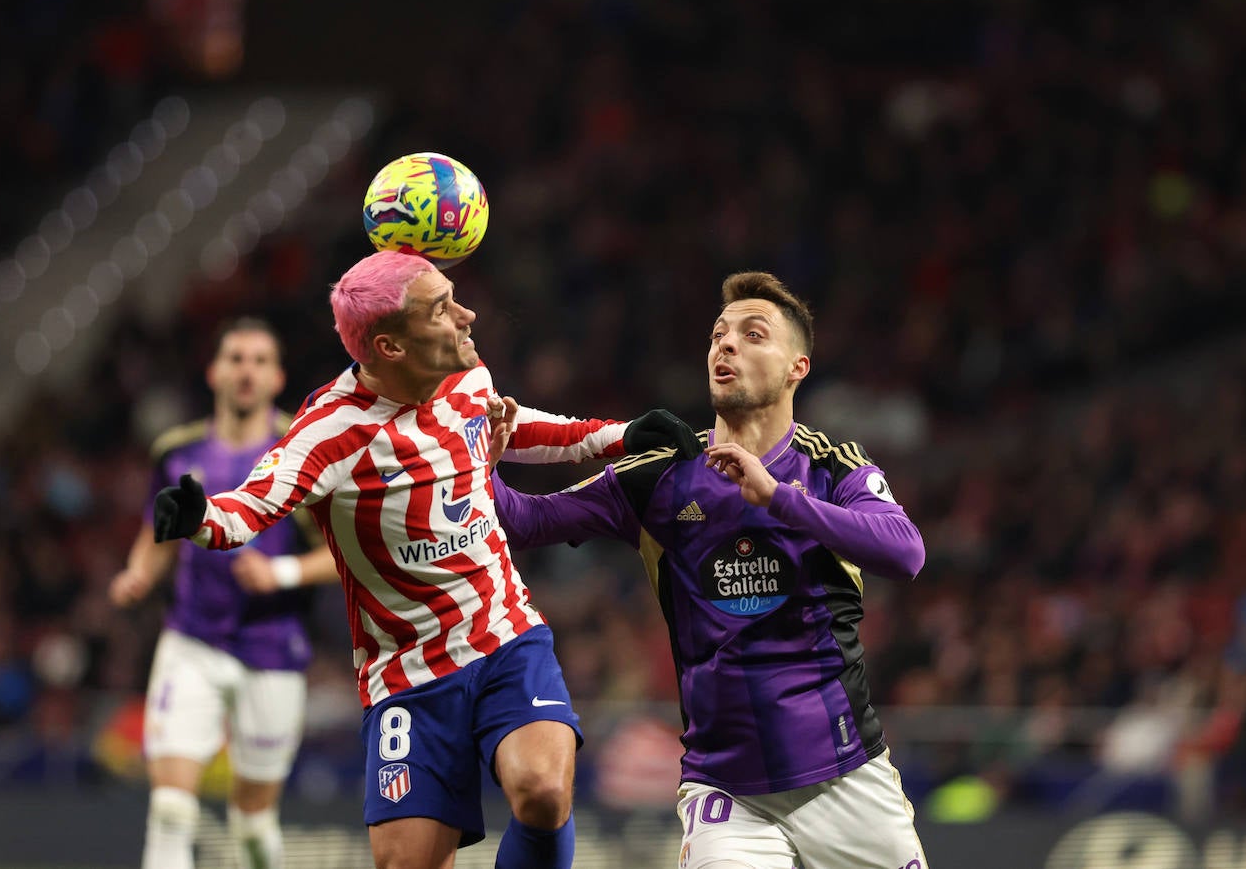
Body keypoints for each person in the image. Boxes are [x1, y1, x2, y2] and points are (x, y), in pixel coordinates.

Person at [151, 250, 701, 869]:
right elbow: (250, 506)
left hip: (504, 637)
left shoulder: (467, 379)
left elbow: (512, 426)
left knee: (543, 792)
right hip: (406, 673)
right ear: (390, 347)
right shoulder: (329, 429)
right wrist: (198, 519)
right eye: (442, 308)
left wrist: (618, 436)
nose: (467, 315)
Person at [491, 271, 930, 869]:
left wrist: (778, 496)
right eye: (719, 335)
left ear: (798, 367)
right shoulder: (659, 475)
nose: (726, 345)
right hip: (726, 793)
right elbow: (524, 520)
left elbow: (906, 553)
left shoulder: (830, 467)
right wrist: (479, 460)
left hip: (848, 778)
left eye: (754, 335)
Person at [110, 316, 340, 869]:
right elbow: (159, 531)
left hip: (273, 647)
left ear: (277, 377)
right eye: (236, 358)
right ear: (214, 372)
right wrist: (138, 573)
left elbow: (348, 555)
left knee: (254, 822)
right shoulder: (176, 451)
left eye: (259, 361)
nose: (246, 370)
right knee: (170, 807)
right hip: (192, 640)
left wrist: (280, 575)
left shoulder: (302, 452)